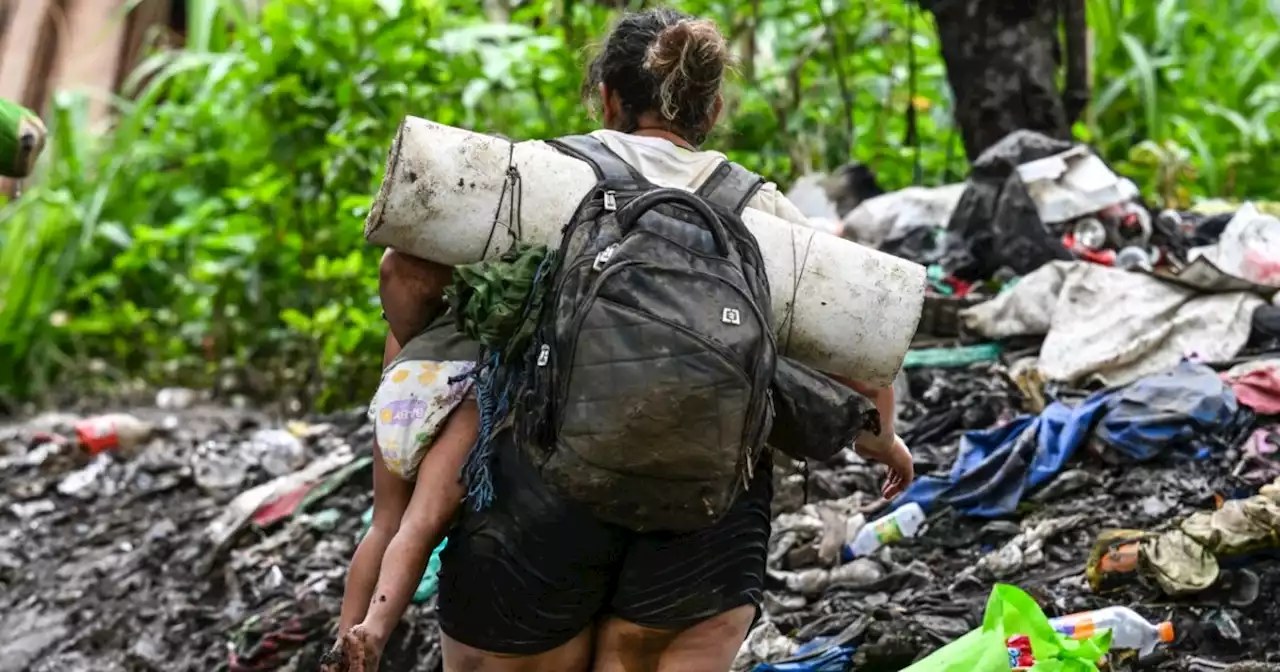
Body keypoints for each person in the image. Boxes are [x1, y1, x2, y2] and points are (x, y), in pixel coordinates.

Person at [328, 7, 914, 671]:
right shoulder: (766, 216)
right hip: (705, 517)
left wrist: (422, 367)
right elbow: (863, 368)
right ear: (714, 108)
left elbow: (404, 269)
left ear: (606, 98)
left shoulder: (539, 179)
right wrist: (886, 442)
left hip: (534, 508)